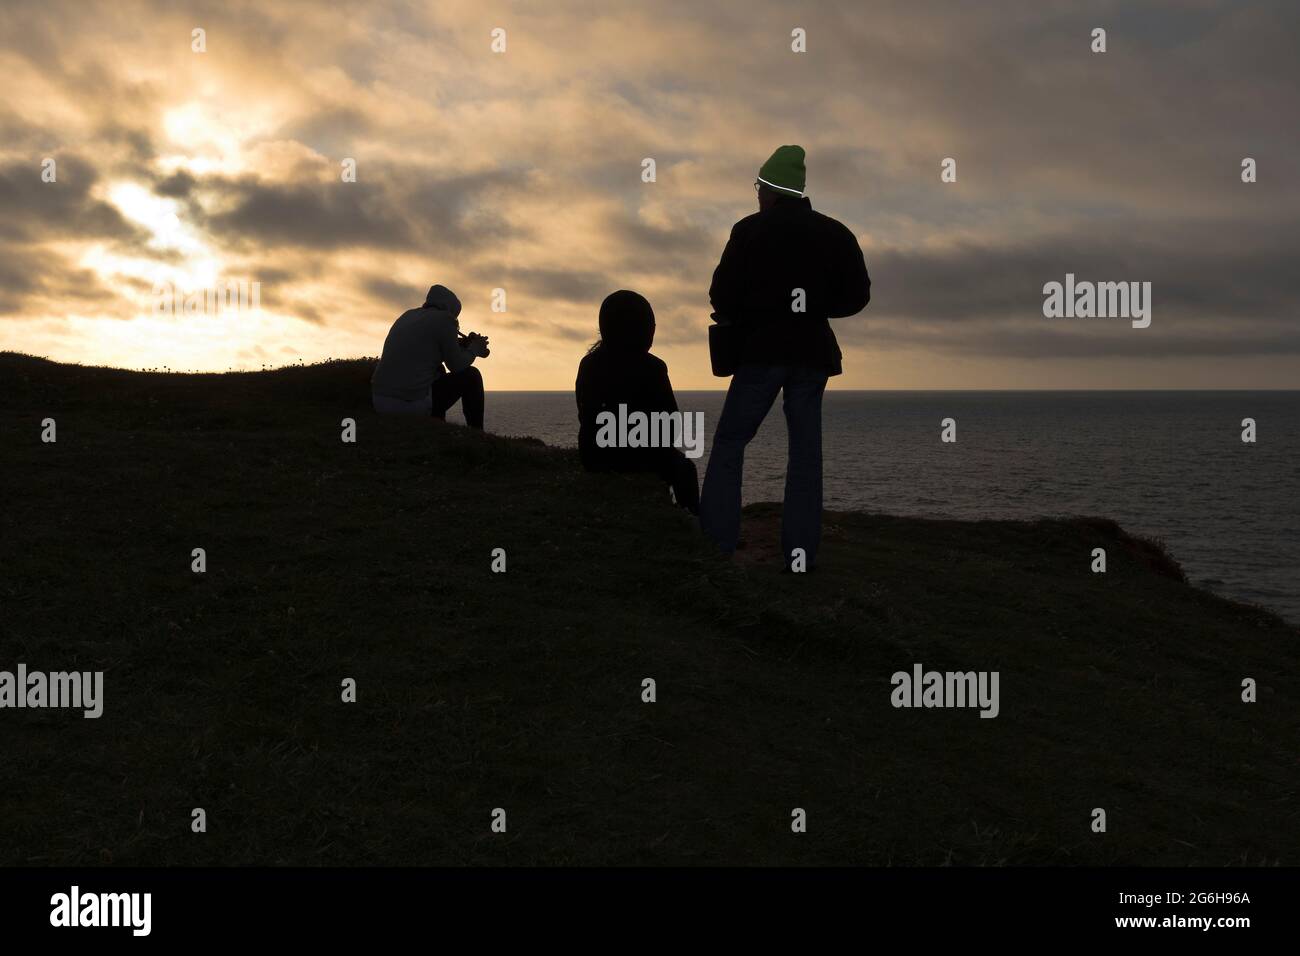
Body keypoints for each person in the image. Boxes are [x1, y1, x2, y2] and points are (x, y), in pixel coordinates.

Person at [699, 145, 871, 570]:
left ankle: (716, 544)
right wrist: (814, 306)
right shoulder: (836, 233)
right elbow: (857, 296)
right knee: (806, 454)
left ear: (772, 189)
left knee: (730, 443)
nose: (757, 194)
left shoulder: (749, 231)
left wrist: (752, 309)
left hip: (760, 351)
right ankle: (799, 555)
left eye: (760, 186)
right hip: (812, 354)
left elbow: (720, 295)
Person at [576, 290, 699, 514]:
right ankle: (694, 523)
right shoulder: (653, 368)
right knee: (685, 469)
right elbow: (671, 427)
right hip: (639, 457)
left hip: (593, 456)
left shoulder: (588, 364)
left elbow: (583, 413)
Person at [371, 284, 490, 428]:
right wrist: (474, 350)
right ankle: (477, 433)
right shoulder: (445, 320)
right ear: (451, 310)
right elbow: (456, 366)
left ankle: (437, 422)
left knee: (438, 370)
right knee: (472, 376)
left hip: (380, 402)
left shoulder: (407, 315)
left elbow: (428, 346)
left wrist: (460, 344)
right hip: (409, 405)